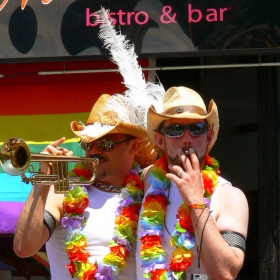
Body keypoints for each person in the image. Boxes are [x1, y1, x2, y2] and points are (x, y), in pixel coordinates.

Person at [13, 93, 157, 279]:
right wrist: (43, 181)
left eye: (106, 144)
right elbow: (23, 248)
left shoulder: (147, 188)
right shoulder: (64, 192)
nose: (95, 150)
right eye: (89, 143)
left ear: (134, 147)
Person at [136, 86, 249, 280]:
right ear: (160, 140)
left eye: (197, 129)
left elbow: (227, 273)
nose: (187, 138)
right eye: (175, 129)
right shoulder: (146, 182)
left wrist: (196, 200)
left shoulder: (228, 196)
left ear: (209, 136)